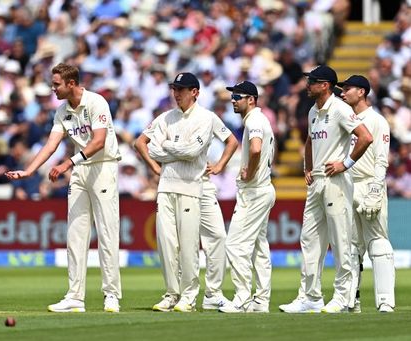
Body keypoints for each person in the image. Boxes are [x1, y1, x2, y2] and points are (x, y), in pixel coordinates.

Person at [5, 63, 122, 313]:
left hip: (103, 167)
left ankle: (111, 295)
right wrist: (29, 170)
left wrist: (69, 162)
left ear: (71, 83)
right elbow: (50, 146)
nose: (53, 88)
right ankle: (75, 297)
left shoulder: (96, 102)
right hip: (80, 170)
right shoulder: (62, 111)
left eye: (56, 84)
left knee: (107, 232)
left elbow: (99, 141)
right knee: (75, 234)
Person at [135, 87, 239, 311]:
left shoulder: (207, 117)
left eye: (181, 90)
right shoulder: (165, 117)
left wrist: (219, 165)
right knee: (168, 243)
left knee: (215, 237)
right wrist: (157, 165)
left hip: (198, 184)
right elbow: (144, 145)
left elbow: (197, 150)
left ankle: (212, 293)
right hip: (168, 185)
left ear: (195, 92)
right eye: (174, 90)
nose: (176, 94)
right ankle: (173, 294)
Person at [279, 65, 373, 314]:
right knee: (309, 240)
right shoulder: (312, 111)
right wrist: (307, 167)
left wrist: (346, 163)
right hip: (317, 181)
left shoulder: (341, 109)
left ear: (325, 86)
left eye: (313, 81)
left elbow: (365, 137)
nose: (307, 84)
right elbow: (310, 140)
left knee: (340, 240)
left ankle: (343, 297)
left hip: (336, 181)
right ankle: (310, 296)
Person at [337, 75, 395, 313]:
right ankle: (351, 301)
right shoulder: (345, 119)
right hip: (347, 184)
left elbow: (382, 159)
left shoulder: (376, 120)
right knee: (350, 247)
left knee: (378, 243)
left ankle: (385, 302)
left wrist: (375, 188)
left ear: (361, 92)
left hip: (369, 183)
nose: (342, 93)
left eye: (347, 89)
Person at [218, 81, 276, 313]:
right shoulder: (258, 120)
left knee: (234, 244)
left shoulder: (254, 120)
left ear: (251, 99)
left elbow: (255, 148)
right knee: (258, 248)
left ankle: (242, 297)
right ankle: (261, 300)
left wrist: (250, 171)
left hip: (254, 192)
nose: (233, 100)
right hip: (262, 189)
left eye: (238, 96)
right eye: (233, 96)